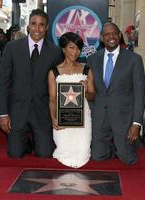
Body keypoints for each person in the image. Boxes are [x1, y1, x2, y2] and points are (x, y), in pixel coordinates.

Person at [0, 9, 61, 158]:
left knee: (45, 154)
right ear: (28, 26)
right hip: (18, 112)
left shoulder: (55, 52)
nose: (37, 29)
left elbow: (58, 84)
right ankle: (25, 143)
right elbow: (4, 82)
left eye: (41, 25)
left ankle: (36, 142)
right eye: (33, 24)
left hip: (42, 112)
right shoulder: (12, 48)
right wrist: (3, 114)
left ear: (46, 27)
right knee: (15, 153)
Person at [87, 22, 145, 165]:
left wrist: (136, 124)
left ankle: (123, 147)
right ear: (102, 38)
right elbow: (92, 90)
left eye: (114, 33)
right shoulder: (93, 59)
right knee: (97, 156)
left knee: (128, 159)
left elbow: (139, 92)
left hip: (123, 118)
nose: (111, 36)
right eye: (107, 34)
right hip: (101, 116)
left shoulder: (134, 59)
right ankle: (112, 148)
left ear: (119, 35)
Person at [48, 32, 95, 168]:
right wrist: (53, 119)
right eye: (71, 47)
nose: (76, 52)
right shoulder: (54, 72)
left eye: (78, 48)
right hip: (63, 120)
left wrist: (85, 90)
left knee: (83, 154)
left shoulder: (86, 69)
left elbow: (92, 95)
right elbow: (52, 99)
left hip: (83, 120)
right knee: (63, 153)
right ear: (63, 49)